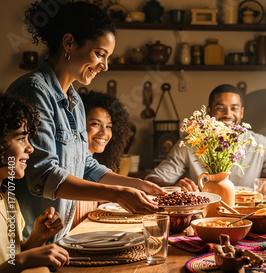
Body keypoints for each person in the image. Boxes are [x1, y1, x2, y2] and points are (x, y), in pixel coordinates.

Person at [6, 1, 163, 242]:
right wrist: (118, 194)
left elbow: (86, 166)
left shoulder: (76, 101)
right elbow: (45, 175)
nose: (105, 65)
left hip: (58, 239)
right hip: (28, 242)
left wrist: (136, 185)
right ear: (69, 43)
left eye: (108, 57)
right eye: (99, 54)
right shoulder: (34, 91)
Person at [146, 84, 266, 195]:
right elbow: (153, 181)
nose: (228, 114)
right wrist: (175, 186)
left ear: (241, 112)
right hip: (204, 214)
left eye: (234, 108)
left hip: (248, 213)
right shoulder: (191, 143)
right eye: (220, 108)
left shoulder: (259, 143)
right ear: (209, 111)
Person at [0, 94, 69, 273]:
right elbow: (18, 261)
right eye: (21, 138)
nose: (30, 148)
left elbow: (13, 258)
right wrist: (23, 260)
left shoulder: (7, 198)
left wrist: (38, 237)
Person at [71, 91, 133, 228]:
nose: (104, 133)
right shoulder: (71, 165)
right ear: (78, 125)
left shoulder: (98, 167)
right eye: (95, 124)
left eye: (108, 126)